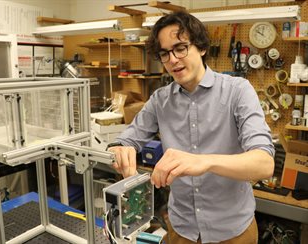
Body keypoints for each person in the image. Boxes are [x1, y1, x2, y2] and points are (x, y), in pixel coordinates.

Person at [107, 11, 275, 244]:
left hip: (233, 231)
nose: (173, 60)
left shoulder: (238, 91)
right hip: (181, 229)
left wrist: (205, 161)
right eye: (165, 53)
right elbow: (127, 139)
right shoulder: (159, 100)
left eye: (180, 48)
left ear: (202, 47)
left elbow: (264, 164)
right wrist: (119, 148)